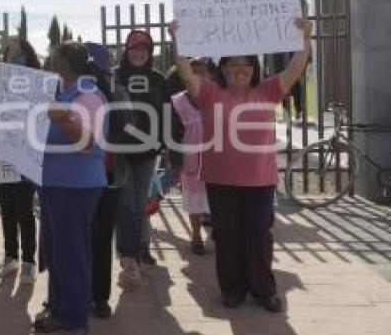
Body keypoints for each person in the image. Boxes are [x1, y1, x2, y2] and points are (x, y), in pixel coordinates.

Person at [168, 18, 313, 312]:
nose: (239, 70)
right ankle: (232, 289)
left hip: (260, 181)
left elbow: (295, 69)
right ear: (222, 69)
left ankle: (263, 289)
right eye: (232, 65)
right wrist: (177, 40)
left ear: (254, 69)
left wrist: (305, 39)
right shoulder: (210, 93)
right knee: (228, 237)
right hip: (221, 180)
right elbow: (185, 74)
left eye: (245, 65)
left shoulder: (269, 91)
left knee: (259, 236)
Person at [33, 42, 108, 335]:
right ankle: (60, 311)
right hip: (54, 185)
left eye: (55, 57)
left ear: (64, 63)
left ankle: (77, 324)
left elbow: (88, 142)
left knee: (72, 254)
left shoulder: (87, 96)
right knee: (56, 251)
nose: (51, 61)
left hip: (77, 187)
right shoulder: (60, 94)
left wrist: (63, 119)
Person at [113, 30, 167, 288]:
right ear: (126, 50)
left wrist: (165, 145)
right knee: (127, 207)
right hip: (120, 152)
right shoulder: (115, 77)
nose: (138, 52)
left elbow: (167, 114)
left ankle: (134, 255)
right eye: (134, 48)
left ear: (150, 51)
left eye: (143, 48)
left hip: (147, 153)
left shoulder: (157, 79)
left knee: (139, 204)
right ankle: (129, 260)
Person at [0, 36, 40, 283]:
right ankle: (10, 257)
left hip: (24, 154)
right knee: (7, 208)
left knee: (24, 210)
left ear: (26, 53)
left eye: (17, 51)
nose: (12, 56)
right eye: (8, 52)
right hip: (1, 152)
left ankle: (29, 261)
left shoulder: (36, 82)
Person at [84, 42, 127, 319]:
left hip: (106, 175)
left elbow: (125, 127)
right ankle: (83, 292)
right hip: (79, 176)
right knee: (82, 238)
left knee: (100, 238)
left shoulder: (115, 93)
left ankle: (99, 296)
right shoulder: (64, 93)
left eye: (94, 70)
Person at [170, 57, 216, 255]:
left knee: (218, 198)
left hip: (218, 158)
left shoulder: (219, 96)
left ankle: (219, 233)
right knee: (193, 198)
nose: (198, 74)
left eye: (202, 70)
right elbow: (172, 132)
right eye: (193, 70)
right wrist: (174, 161)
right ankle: (196, 236)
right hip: (191, 158)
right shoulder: (178, 101)